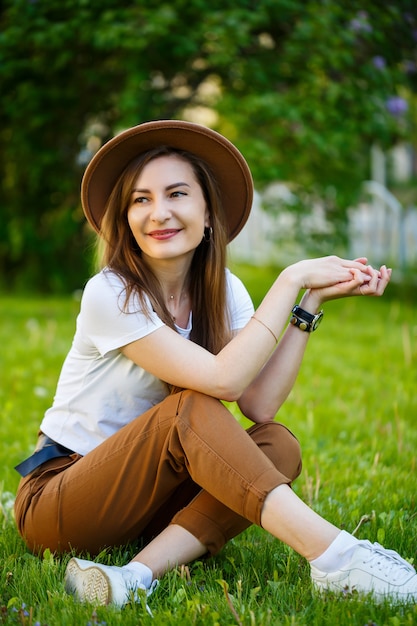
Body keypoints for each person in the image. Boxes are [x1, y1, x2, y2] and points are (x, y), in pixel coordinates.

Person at [14, 120, 417, 610]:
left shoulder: (224, 290)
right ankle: (336, 555)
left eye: (176, 194)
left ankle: (134, 575)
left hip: (149, 503)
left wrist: (307, 304)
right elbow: (224, 381)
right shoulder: (110, 292)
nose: (158, 212)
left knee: (277, 446)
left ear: (208, 214)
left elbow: (259, 404)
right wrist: (289, 277)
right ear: (125, 219)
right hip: (61, 499)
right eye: (140, 200)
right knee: (191, 407)